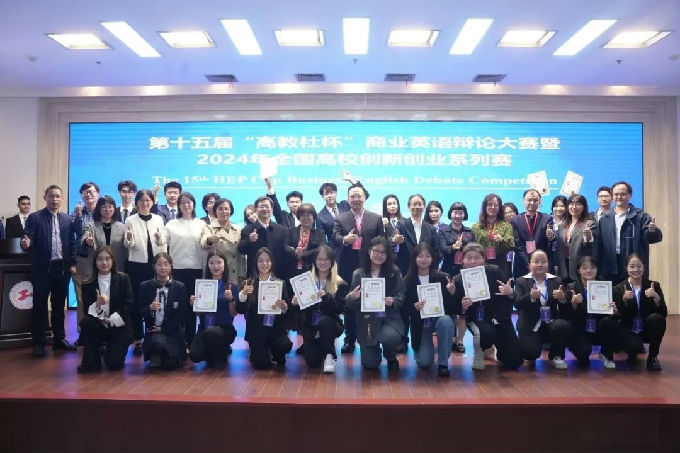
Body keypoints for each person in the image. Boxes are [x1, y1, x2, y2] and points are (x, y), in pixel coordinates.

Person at [21, 185, 81, 357]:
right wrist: (26, 243)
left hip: (62, 269)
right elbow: (28, 238)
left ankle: (59, 339)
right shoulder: (35, 217)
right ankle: (39, 342)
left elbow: (73, 242)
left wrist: (73, 262)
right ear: (45, 198)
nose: (54, 199)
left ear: (62, 198)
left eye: (57, 196)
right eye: (51, 196)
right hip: (42, 269)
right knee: (40, 307)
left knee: (58, 306)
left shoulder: (67, 219)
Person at [332, 183, 386, 353]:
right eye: (352, 196)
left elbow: (382, 241)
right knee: (349, 303)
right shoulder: (340, 218)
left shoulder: (375, 218)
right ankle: (349, 339)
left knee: (372, 301)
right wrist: (344, 239)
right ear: (348, 199)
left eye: (359, 196)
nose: (356, 199)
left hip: (371, 266)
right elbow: (334, 237)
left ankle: (372, 337)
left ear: (365, 198)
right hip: (347, 267)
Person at [450, 243, 522, 370]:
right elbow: (456, 309)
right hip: (476, 319)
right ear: (463, 260)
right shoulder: (458, 279)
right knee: (486, 333)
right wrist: (462, 306)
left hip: (499, 318)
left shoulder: (494, 271)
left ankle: (498, 352)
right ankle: (479, 352)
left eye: (477, 258)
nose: (473, 262)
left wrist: (510, 292)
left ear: (483, 259)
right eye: (469, 258)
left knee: (515, 361)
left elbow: (512, 297)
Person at [345, 236, 405, 371]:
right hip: (367, 321)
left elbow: (401, 293)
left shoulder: (394, 271)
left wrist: (394, 301)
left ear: (387, 255)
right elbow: (349, 303)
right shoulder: (358, 274)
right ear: (369, 251)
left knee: (390, 337)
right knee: (370, 364)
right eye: (376, 251)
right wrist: (352, 297)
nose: (379, 255)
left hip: (388, 318)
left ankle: (391, 356)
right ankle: (375, 351)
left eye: (383, 252)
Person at [390, 194, 440, 352]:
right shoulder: (401, 225)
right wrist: (394, 242)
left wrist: (433, 269)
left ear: (424, 206)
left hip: (425, 273)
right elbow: (392, 246)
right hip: (406, 274)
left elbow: (436, 250)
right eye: (414, 204)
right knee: (405, 306)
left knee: (422, 305)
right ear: (408, 206)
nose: (417, 207)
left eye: (420, 204)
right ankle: (402, 340)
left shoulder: (430, 228)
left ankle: (421, 338)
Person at [290, 244, 348, 373]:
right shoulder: (306, 281)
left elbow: (340, 308)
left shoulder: (340, 283)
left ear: (331, 261)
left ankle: (330, 356)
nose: (323, 262)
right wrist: (295, 304)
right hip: (311, 325)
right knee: (312, 362)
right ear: (315, 261)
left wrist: (326, 297)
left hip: (330, 324)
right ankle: (318, 345)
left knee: (324, 321)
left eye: (326, 259)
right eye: (320, 259)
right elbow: (301, 311)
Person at [123, 189, 167, 355]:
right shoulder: (130, 219)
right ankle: (138, 339)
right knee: (137, 303)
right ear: (136, 203)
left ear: (152, 202)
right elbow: (128, 245)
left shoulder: (158, 219)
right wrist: (129, 238)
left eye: (148, 200)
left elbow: (163, 242)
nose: (145, 203)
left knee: (154, 301)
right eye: (141, 200)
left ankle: (153, 334)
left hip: (154, 266)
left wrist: (159, 238)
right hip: (136, 265)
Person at [77, 246, 133, 373]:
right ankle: (92, 360)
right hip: (98, 323)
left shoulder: (123, 279)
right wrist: (98, 305)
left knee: (114, 364)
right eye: (100, 259)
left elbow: (128, 305)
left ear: (113, 261)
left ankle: (109, 350)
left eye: (108, 259)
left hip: (118, 325)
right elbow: (87, 311)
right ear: (95, 262)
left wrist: (111, 320)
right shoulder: (88, 283)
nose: (104, 263)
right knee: (87, 322)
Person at [514, 249, 571, 369]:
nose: (540, 264)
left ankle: (556, 356)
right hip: (530, 324)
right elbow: (517, 304)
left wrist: (562, 298)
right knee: (530, 353)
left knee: (562, 325)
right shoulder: (521, 281)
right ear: (529, 264)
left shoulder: (556, 280)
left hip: (550, 323)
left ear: (548, 264)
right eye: (536, 261)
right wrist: (530, 297)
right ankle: (530, 351)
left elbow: (566, 310)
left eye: (544, 262)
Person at [404, 243, 456, 376]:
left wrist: (451, 293)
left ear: (432, 259)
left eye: (427, 256)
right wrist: (414, 307)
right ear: (414, 258)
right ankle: (421, 351)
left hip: (439, 319)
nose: (424, 259)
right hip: (420, 324)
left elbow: (451, 307)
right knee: (424, 363)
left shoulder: (443, 277)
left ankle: (443, 363)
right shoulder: (408, 280)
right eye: (420, 256)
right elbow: (404, 307)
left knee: (446, 321)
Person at [236, 247, 292, 370]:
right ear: (256, 263)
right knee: (261, 364)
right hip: (257, 330)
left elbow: (287, 310)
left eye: (267, 260)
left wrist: (284, 307)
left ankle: (273, 351)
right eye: (260, 261)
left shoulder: (280, 283)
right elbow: (240, 310)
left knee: (284, 346)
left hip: (275, 329)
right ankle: (258, 351)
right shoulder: (248, 283)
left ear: (272, 263)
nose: (264, 264)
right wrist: (243, 295)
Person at [595, 181, 662, 283]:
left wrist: (652, 231)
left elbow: (654, 238)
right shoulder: (605, 218)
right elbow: (599, 245)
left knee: (632, 293)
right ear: (612, 196)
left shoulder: (640, 216)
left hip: (633, 266)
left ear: (630, 195)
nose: (619, 197)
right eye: (616, 194)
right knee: (612, 293)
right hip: (610, 267)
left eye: (623, 194)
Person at [164, 192, 207, 349]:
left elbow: (206, 244)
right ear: (178, 206)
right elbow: (162, 242)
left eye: (189, 202)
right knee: (178, 305)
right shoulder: (171, 224)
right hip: (177, 270)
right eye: (182, 203)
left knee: (193, 306)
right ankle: (177, 341)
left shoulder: (201, 224)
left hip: (196, 270)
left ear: (193, 204)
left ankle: (191, 340)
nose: (186, 205)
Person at [612, 253, 667, 371]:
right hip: (628, 328)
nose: (636, 270)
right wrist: (623, 300)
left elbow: (664, 313)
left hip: (647, 328)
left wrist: (657, 298)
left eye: (639, 266)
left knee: (657, 319)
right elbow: (618, 316)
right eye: (632, 266)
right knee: (634, 346)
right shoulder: (618, 288)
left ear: (644, 267)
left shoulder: (653, 286)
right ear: (626, 268)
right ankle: (632, 352)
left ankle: (653, 357)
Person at [565, 256, 619, 369]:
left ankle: (606, 355)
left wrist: (613, 311)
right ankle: (581, 353)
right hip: (581, 330)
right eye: (584, 268)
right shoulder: (571, 288)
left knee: (609, 322)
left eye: (592, 267)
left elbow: (616, 312)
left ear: (597, 269)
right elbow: (566, 314)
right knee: (583, 357)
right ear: (578, 270)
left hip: (599, 327)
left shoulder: (606, 287)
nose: (589, 270)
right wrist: (573, 303)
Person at [139, 252, 189, 369]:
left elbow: (182, 314)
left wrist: (164, 328)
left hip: (172, 331)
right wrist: (150, 308)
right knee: (158, 346)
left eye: (166, 264)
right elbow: (139, 311)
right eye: (159, 264)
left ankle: (167, 355)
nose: (163, 268)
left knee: (170, 365)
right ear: (154, 267)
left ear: (171, 266)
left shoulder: (180, 287)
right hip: (154, 330)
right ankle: (156, 353)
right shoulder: (144, 286)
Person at [188, 252, 238, 369]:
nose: (216, 266)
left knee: (212, 335)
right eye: (211, 263)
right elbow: (198, 314)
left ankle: (222, 350)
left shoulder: (231, 286)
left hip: (224, 328)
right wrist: (194, 305)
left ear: (225, 264)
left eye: (219, 262)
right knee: (194, 355)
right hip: (205, 327)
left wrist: (231, 299)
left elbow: (234, 313)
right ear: (207, 266)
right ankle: (212, 352)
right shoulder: (202, 285)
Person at [438, 201, 475, 354]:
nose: (458, 215)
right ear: (450, 214)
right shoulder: (443, 230)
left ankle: (460, 340)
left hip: (465, 273)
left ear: (464, 214)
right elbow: (442, 248)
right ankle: (452, 338)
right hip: (449, 272)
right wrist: (453, 248)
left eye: (461, 212)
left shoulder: (469, 231)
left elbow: (474, 250)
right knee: (451, 307)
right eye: (455, 212)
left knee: (464, 308)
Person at [238, 196, 290, 280]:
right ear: (256, 209)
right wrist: (249, 240)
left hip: (277, 276)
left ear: (272, 209)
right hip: (255, 277)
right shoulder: (247, 230)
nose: (265, 209)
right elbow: (241, 250)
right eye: (261, 207)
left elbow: (285, 253)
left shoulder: (281, 230)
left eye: (267, 206)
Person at [72, 182, 101, 329]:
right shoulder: (76, 213)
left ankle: (101, 330)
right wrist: (77, 216)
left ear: (97, 194)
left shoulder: (104, 212)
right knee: (81, 297)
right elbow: (72, 236)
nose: (88, 194)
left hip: (102, 259)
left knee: (101, 296)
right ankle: (83, 331)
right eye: (84, 192)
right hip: (82, 260)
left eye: (91, 191)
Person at [511, 189, 556, 279]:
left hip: (542, 264)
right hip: (522, 264)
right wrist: (529, 263)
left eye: (535, 200)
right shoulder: (515, 220)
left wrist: (551, 236)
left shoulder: (547, 218)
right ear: (523, 201)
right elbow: (517, 244)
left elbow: (551, 240)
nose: (532, 203)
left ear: (540, 201)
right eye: (529, 200)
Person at [200, 198, 246, 285]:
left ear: (230, 211)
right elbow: (203, 243)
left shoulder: (238, 229)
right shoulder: (209, 228)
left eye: (226, 209)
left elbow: (241, 255)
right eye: (220, 209)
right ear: (215, 211)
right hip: (217, 271)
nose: (223, 212)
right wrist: (209, 240)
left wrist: (242, 274)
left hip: (234, 271)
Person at [471, 193, 514, 280]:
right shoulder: (476, 227)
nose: (493, 207)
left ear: (499, 207)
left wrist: (502, 240)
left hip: (501, 263)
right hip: (481, 263)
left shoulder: (506, 226)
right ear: (485, 207)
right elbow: (472, 247)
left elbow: (511, 245)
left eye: (496, 205)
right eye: (490, 204)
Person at [81, 195, 128, 273]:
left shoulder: (122, 227)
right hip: (96, 268)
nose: (107, 209)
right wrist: (87, 241)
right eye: (104, 207)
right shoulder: (90, 225)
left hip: (117, 267)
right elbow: (85, 236)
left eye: (110, 206)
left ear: (114, 208)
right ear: (98, 209)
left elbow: (126, 249)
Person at [555, 194, 594, 283]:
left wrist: (588, 237)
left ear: (584, 207)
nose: (574, 207)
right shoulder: (562, 226)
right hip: (564, 266)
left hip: (579, 266)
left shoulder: (589, 224)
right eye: (571, 204)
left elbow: (591, 244)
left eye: (578, 204)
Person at [285, 203, 326, 275]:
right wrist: (295, 252)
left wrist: (303, 255)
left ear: (313, 217)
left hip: (312, 269)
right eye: (303, 215)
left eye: (308, 215)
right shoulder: (290, 231)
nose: (305, 218)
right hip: (292, 269)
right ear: (299, 217)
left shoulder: (320, 233)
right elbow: (285, 246)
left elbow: (320, 249)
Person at [315, 182, 350, 252]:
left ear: (336, 193)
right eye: (326, 194)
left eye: (332, 193)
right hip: (335, 250)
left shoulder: (345, 205)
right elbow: (322, 239)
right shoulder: (320, 216)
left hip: (352, 247)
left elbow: (362, 196)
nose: (329, 196)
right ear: (322, 196)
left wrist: (353, 182)